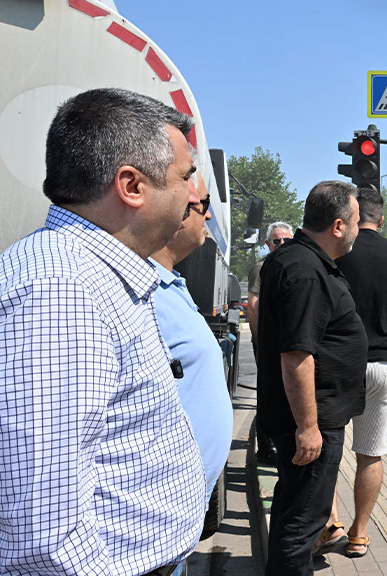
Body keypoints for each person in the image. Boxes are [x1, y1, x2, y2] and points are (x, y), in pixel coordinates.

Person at [0, 88, 205, 576]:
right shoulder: (60, 291)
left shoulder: (87, 275)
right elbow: (44, 539)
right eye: (185, 177)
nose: (194, 196)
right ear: (131, 185)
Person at [256, 181, 366, 576]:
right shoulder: (305, 271)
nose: (358, 229)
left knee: (296, 513)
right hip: (309, 421)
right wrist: (308, 427)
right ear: (338, 225)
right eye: (356, 222)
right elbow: (296, 356)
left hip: (312, 417)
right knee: (303, 522)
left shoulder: (298, 261)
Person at [313, 187, 387, 558]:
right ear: (383, 219)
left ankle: (331, 523)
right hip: (384, 366)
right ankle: (359, 534)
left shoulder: (339, 250)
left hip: (339, 363)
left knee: (327, 446)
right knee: (371, 454)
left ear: (354, 215)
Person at [149, 170, 234, 515]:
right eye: (202, 204)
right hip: (151, 521)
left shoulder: (167, 283)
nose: (209, 216)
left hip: (175, 516)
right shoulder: (140, 293)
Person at [247, 221, 294, 358]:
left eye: (287, 240)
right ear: (268, 244)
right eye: (276, 241)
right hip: (270, 343)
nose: (282, 244)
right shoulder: (260, 268)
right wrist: (260, 343)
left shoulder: (296, 266)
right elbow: (253, 307)